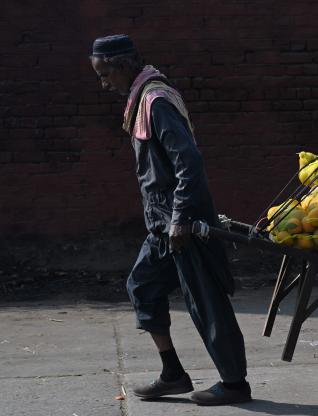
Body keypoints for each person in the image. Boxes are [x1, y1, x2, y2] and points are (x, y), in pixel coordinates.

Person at [89, 34, 251, 406]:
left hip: (184, 223)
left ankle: (235, 383)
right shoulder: (141, 100)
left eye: (105, 73)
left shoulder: (156, 101)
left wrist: (180, 218)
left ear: (124, 64)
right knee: (143, 287)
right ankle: (172, 374)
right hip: (161, 224)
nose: (103, 83)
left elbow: (188, 161)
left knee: (205, 302)